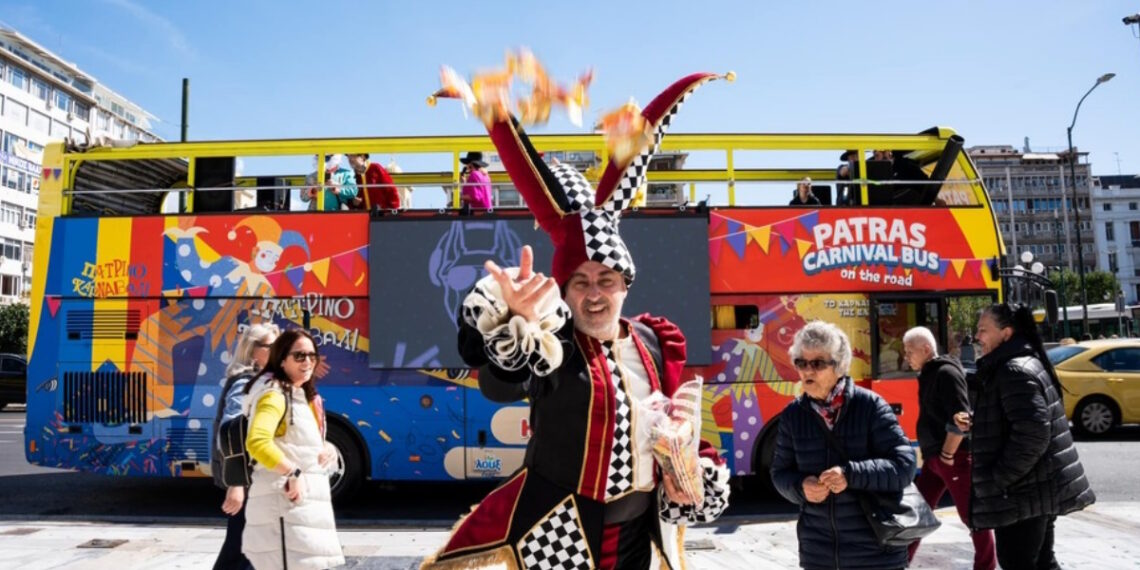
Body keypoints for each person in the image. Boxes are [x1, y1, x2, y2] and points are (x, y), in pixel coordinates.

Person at [424, 72, 732, 569]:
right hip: (558, 531)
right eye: (580, 282)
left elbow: (674, 420)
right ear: (563, 291)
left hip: (639, 534)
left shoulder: (654, 340)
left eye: (605, 280)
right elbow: (499, 387)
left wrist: (694, 466)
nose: (593, 294)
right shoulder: (552, 341)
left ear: (625, 285)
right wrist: (518, 325)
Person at [957, 304, 1095, 570]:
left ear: (1006, 333)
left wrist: (1001, 478)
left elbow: (1033, 434)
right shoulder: (1021, 363)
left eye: (983, 330)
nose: (977, 336)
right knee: (1042, 562)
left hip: (1022, 493)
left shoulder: (1014, 370)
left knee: (1018, 562)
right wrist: (981, 422)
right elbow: (1023, 421)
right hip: (1034, 490)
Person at [770, 321, 915, 570]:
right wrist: (800, 487)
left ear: (838, 366)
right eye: (801, 363)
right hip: (819, 554)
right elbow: (780, 473)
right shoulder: (793, 415)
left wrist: (850, 474)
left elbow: (904, 466)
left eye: (817, 363)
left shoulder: (870, 406)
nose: (807, 371)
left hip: (875, 554)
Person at [241, 329, 344, 569]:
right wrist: (292, 472)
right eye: (299, 356)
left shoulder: (298, 395)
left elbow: (296, 442)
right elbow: (257, 442)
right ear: (282, 360)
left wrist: (327, 448)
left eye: (312, 355)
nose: (307, 361)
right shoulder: (274, 395)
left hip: (301, 514)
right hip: (284, 512)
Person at [902, 327, 995, 570]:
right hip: (935, 458)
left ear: (926, 349)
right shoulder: (929, 373)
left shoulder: (945, 373)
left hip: (954, 457)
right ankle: (900, 562)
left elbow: (962, 417)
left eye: (910, 351)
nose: (906, 357)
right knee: (918, 513)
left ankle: (986, 565)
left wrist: (947, 455)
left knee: (970, 515)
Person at [211, 323, 280, 570]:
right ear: (253, 351)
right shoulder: (245, 383)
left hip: (257, 478)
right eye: (271, 346)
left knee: (242, 548)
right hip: (249, 480)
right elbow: (231, 430)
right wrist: (237, 483)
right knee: (245, 549)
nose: (278, 350)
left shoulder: (264, 380)